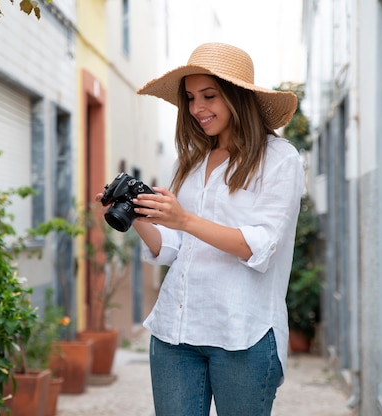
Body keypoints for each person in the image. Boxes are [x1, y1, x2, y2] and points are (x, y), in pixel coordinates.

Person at [97, 42, 304, 416]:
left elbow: (260, 246)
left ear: (237, 97)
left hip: (243, 333)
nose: (197, 109)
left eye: (209, 96)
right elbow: (174, 248)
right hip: (176, 333)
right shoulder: (191, 162)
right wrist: (142, 217)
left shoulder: (279, 159)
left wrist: (184, 220)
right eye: (190, 98)